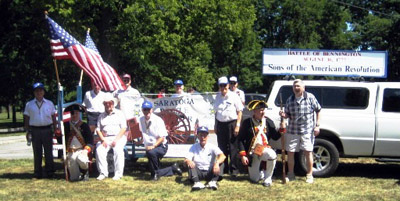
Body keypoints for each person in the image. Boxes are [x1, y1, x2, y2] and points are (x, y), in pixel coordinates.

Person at [279, 79, 321, 183]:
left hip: (307, 130)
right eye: (294, 86)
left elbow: (318, 110)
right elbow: (288, 115)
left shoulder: (310, 97)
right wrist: (284, 115)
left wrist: (317, 125)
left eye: (298, 86)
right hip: (293, 131)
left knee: (308, 152)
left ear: (303, 87)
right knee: (291, 153)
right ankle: (291, 174)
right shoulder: (290, 100)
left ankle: (309, 175)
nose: (296, 88)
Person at [237, 100, 281, 187]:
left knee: (272, 155)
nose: (263, 112)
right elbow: (240, 140)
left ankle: (268, 179)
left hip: (264, 150)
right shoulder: (247, 123)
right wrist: (243, 155)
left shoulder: (268, 122)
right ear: (254, 111)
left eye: (263, 110)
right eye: (260, 110)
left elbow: (275, 137)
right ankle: (260, 173)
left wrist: (281, 129)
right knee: (255, 179)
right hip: (252, 153)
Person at [138, 100, 183, 181]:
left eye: (148, 109)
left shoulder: (158, 120)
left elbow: (162, 137)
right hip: (149, 146)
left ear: (151, 110)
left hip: (161, 146)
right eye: (145, 109)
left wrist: (153, 146)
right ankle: (172, 169)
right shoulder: (141, 120)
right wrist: (140, 141)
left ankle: (155, 174)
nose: (146, 111)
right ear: (142, 110)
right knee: (150, 155)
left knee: (151, 153)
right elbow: (143, 132)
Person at [23, 82, 59, 179]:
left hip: (47, 129)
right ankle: (37, 173)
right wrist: (27, 131)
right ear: (34, 93)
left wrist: (55, 129)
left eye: (40, 90)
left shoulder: (49, 103)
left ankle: (50, 172)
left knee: (48, 152)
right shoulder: (29, 104)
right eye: (37, 91)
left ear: (43, 92)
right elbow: (26, 118)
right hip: (35, 130)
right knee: (37, 152)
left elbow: (53, 117)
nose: (39, 92)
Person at [213, 76, 243, 176]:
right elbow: (216, 112)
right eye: (221, 85)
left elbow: (239, 111)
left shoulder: (234, 96)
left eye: (225, 85)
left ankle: (234, 169)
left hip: (232, 123)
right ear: (219, 86)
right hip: (221, 124)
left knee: (233, 148)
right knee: (222, 147)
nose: (223, 87)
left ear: (228, 85)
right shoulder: (217, 97)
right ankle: (224, 168)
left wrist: (238, 126)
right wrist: (215, 125)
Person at [95, 94, 127, 181]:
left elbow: (124, 128)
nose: (108, 105)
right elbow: (98, 129)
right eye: (106, 103)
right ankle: (103, 173)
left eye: (110, 103)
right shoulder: (101, 116)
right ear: (104, 104)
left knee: (118, 150)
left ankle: (118, 174)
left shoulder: (120, 113)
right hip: (105, 138)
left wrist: (116, 140)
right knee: (99, 150)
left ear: (113, 103)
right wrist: (102, 140)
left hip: (119, 137)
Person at [184, 126, 226, 191]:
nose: (203, 138)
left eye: (205, 135)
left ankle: (213, 182)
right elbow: (186, 159)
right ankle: (196, 182)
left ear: (208, 136)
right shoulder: (193, 147)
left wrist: (217, 163)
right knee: (189, 163)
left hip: (210, 171)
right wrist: (189, 161)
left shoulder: (212, 146)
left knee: (221, 163)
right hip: (198, 172)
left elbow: (222, 156)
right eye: (201, 135)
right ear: (197, 136)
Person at [63, 103, 93, 181]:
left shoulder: (84, 126)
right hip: (70, 151)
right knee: (74, 178)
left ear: (79, 114)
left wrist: (86, 150)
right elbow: (62, 140)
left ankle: (85, 172)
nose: (74, 115)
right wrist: (59, 134)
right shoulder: (65, 125)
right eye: (72, 113)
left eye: (76, 113)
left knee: (82, 159)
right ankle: (77, 175)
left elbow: (90, 140)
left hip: (81, 150)